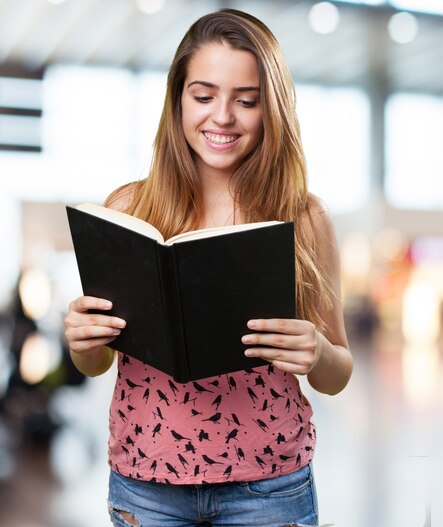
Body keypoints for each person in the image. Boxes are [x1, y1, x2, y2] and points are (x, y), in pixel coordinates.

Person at [63, 9, 352, 527]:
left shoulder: (304, 216)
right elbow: (97, 365)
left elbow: (338, 374)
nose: (223, 117)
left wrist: (318, 352)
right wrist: (83, 343)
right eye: (203, 96)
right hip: (146, 483)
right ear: (177, 101)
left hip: (268, 485)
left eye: (246, 101)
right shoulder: (128, 209)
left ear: (273, 110)